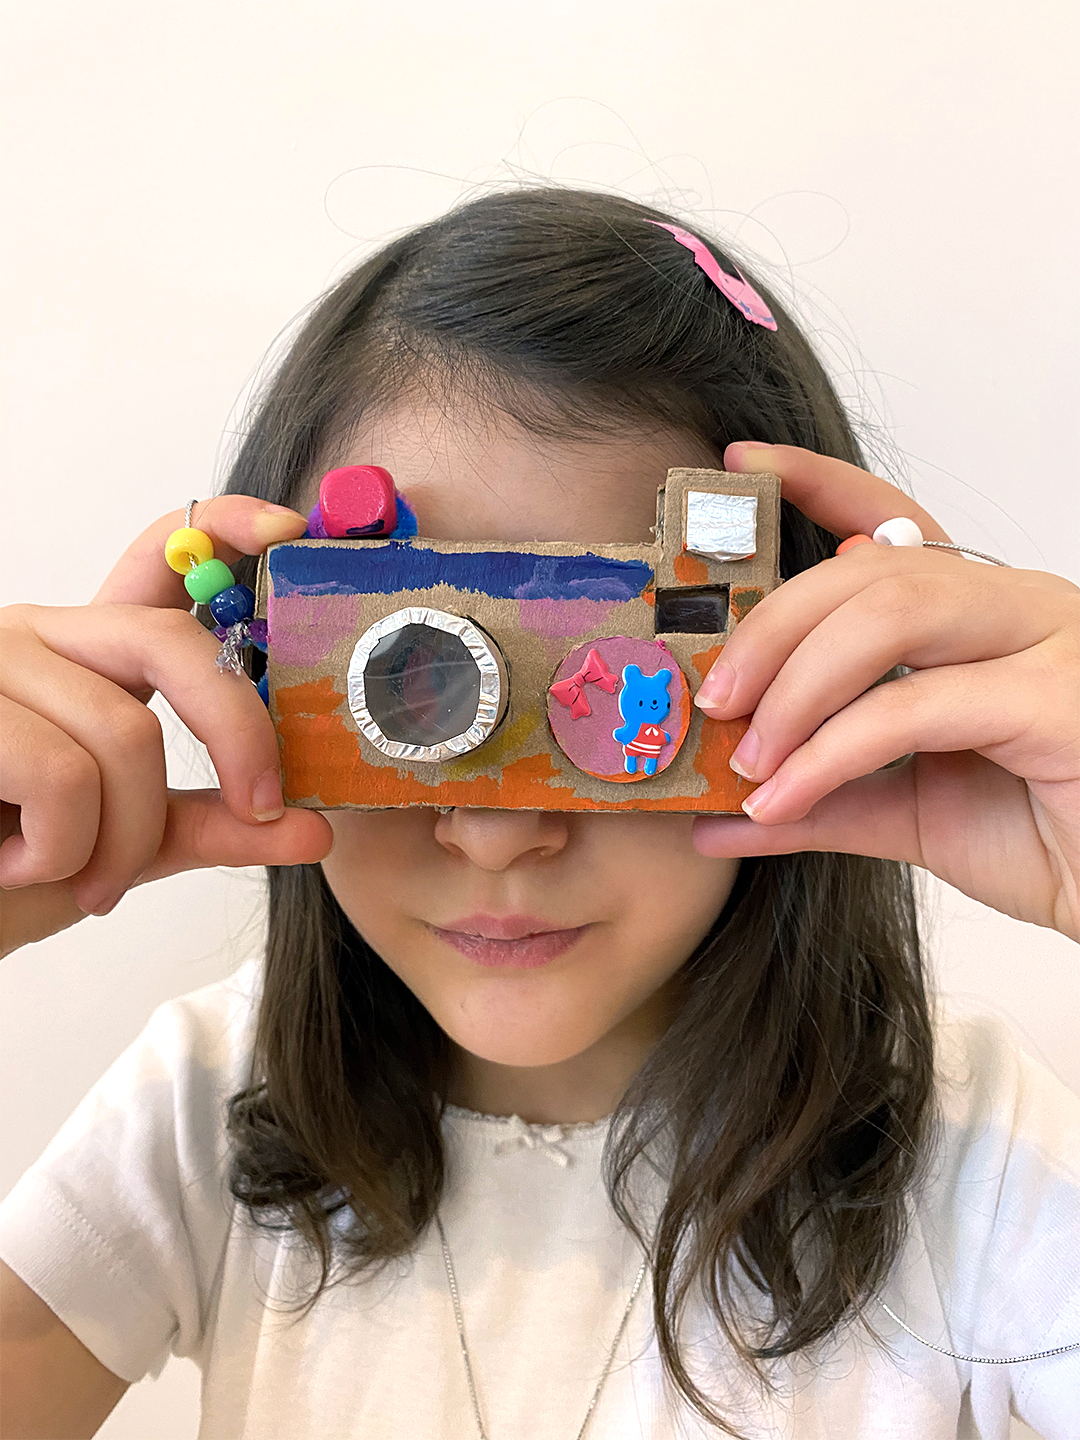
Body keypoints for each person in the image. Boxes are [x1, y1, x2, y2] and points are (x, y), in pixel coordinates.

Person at [0, 186, 1077, 1440]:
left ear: (812, 653)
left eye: (628, 698)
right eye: (410, 689)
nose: (501, 833)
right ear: (255, 660)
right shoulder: (204, 1117)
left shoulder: (982, 1166)